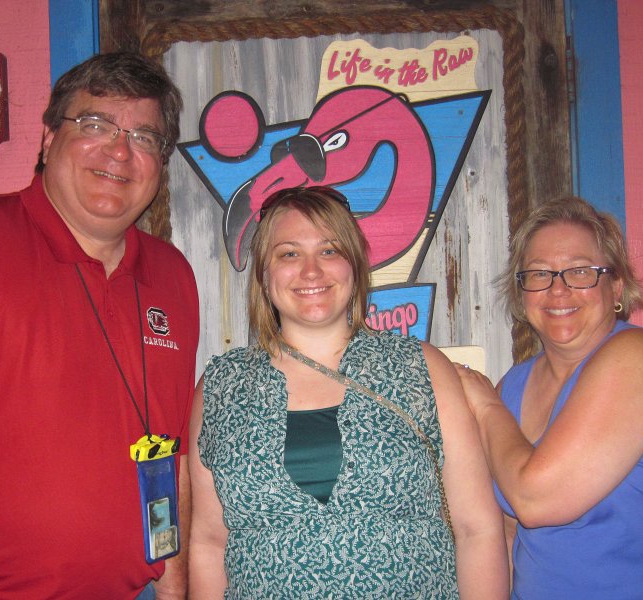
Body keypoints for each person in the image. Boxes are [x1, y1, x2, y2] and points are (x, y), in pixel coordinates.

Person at [0, 52, 199, 599]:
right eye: (96, 125)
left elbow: (169, 458)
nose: (121, 152)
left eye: (145, 137)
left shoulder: (172, 274)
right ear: (49, 139)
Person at [189, 186, 508, 599]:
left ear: (354, 265)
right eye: (289, 253)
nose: (310, 271)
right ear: (264, 275)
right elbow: (209, 543)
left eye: (329, 250)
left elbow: (477, 529)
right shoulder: (220, 387)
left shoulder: (421, 368)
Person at [456, 196, 643, 599]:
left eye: (580, 271)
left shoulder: (640, 357)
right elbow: (510, 531)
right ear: (522, 292)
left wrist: (482, 405)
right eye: (539, 274)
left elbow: (536, 499)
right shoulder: (511, 387)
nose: (558, 289)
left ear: (616, 286)